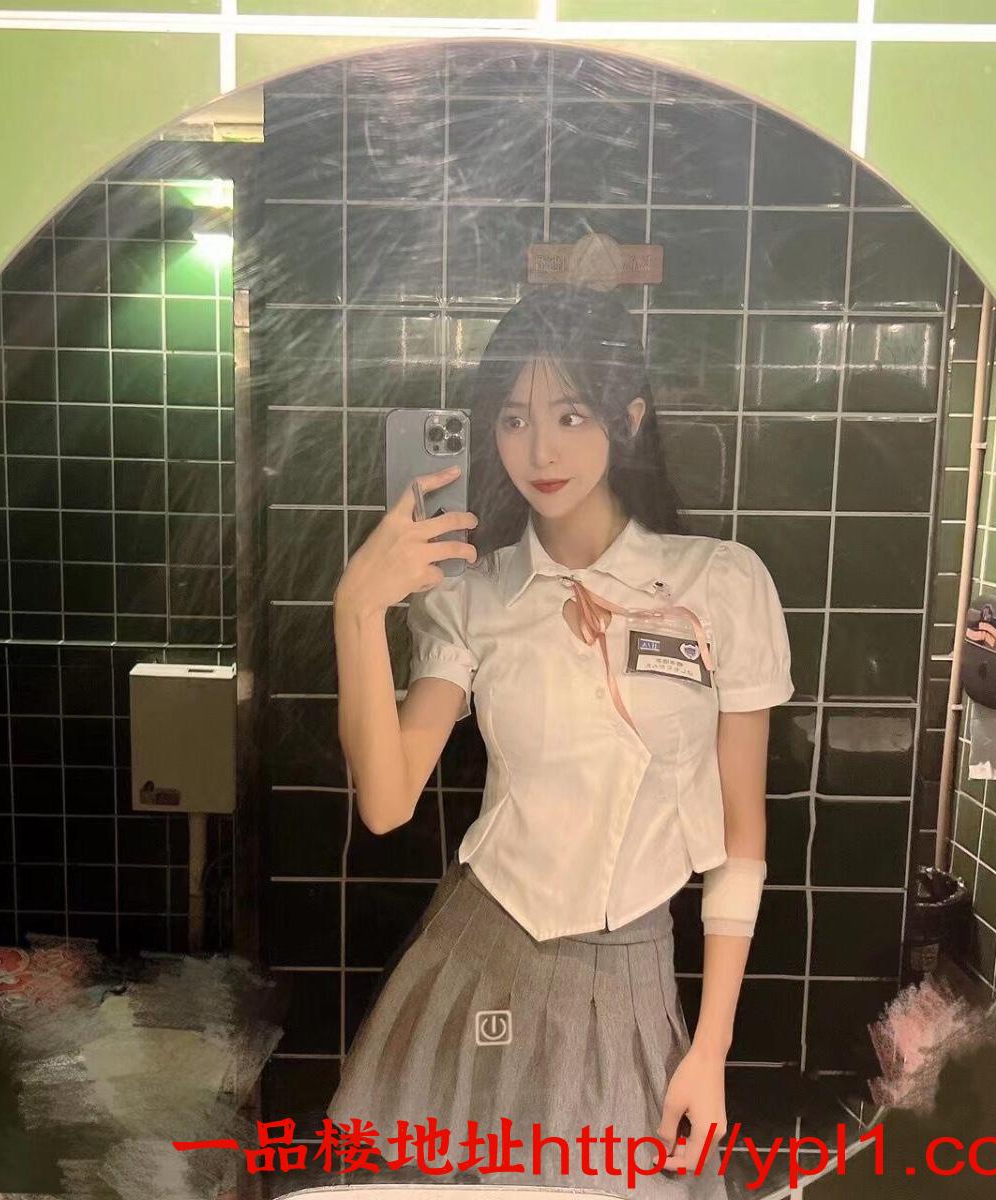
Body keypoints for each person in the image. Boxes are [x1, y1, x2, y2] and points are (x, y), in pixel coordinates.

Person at [326, 284, 793, 1199]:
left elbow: (742, 834)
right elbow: (384, 802)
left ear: (629, 418)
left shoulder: (723, 585)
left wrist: (712, 1047)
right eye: (514, 419)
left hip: (625, 978)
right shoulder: (471, 596)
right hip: (476, 962)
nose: (540, 451)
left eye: (571, 415)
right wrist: (356, 609)